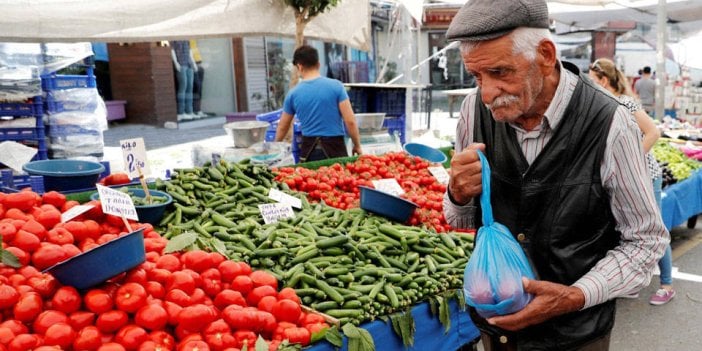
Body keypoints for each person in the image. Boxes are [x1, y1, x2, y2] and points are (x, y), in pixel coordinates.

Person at [443, 0, 669, 349]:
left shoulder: (610, 122)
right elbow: (461, 222)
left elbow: (645, 241)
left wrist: (574, 296)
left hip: (575, 336)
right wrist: (457, 193)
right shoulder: (473, 111)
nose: (486, 93)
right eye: (476, 76)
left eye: (500, 72)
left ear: (546, 55)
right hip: (497, 332)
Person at [589, 58, 675, 306]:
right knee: (627, 227)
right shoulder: (601, 105)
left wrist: (631, 162)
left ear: (604, 81)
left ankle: (667, 284)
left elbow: (653, 133)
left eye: (593, 81)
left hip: (647, 176)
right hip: (623, 179)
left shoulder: (624, 103)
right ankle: (632, 281)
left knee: (652, 228)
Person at [275, 45, 362, 162]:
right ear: (318, 64)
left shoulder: (293, 94)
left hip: (309, 152)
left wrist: (274, 148)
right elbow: (350, 121)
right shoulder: (336, 86)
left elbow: (282, 127)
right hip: (336, 150)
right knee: (339, 179)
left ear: (299, 67)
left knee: (313, 180)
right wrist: (357, 145)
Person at [170, 40, 198, 121]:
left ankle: (189, 111)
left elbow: (189, 51)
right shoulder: (174, 38)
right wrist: (176, 63)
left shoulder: (186, 39)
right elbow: (172, 50)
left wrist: (193, 63)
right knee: (183, 86)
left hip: (189, 65)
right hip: (181, 64)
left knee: (190, 87)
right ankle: (181, 112)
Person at [189, 39, 207, 118]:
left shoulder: (194, 37)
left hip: (198, 62)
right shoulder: (185, 37)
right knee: (195, 87)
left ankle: (198, 110)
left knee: (199, 88)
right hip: (192, 64)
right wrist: (193, 64)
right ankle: (194, 110)